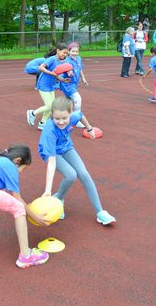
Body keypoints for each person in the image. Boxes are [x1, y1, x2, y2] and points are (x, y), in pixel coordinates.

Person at [38, 96, 116, 225]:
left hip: (66, 146)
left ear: (70, 113)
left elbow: (80, 115)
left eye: (64, 118)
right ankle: (58, 198)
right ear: (52, 115)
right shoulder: (50, 131)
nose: (61, 122)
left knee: (84, 174)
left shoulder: (73, 116)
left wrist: (90, 128)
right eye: (57, 118)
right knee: (71, 175)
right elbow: (51, 163)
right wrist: (48, 189)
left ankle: (100, 212)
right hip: (51, 152)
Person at [26, 43, 69, 131]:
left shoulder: (61, 61)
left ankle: (42, 123)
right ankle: (32, 113)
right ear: (58, 51)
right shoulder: (52, 59)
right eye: (64, 52)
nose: (65, 55)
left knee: (51, 106)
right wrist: (51, 73)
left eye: (66, 54)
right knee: (49, 105)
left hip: (51, 85)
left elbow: (56, 74)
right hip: (43, 84)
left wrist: (62, 79)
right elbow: (41, 68)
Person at [59, 42, 88, 128]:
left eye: (77, 51)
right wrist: (69, 72)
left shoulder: (79, 58)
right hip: (67, 84)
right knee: (77, 99)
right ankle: (77, 119)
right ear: (68, 51)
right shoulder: (66, 61)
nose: (75, 53)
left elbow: (80, 69)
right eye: (73, 51)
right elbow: (64, 72)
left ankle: (65, 117)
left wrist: (83, 78)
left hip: (74, 84)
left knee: (69, 101)